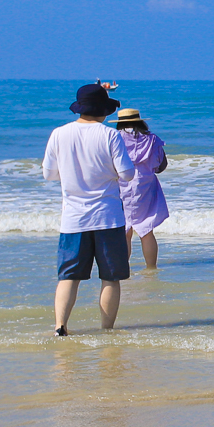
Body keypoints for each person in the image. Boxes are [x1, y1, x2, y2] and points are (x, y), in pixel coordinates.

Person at [42, 83, 136, 336]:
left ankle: (60, 326)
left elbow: (49, 174)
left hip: (73, 219)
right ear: (103, 110)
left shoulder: (59, 134)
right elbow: (127, 174)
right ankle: (106, 329)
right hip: (108, 217)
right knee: (110, 278)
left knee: (68, 277)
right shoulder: (110, 135)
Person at [112, 108, 170, 269]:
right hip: (145, 185)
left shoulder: (115, 138)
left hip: (121, 184)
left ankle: (122, 267)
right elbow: (161, 165)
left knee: (124, 230)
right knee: (146, 229)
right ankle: (151, 268)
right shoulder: (152, 139)